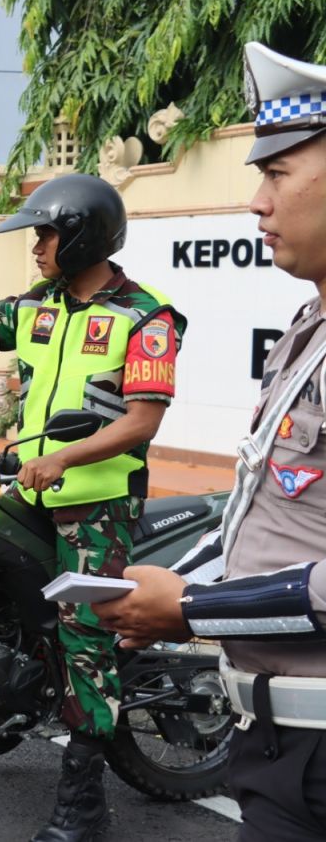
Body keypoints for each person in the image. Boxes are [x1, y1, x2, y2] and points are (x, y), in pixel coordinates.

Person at [93, 42, 326, 842]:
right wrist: (171, 587)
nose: (257, 203)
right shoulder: (310, 326)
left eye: (278, 175)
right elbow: (271, 518)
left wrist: (191, 607)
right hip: (276, 739)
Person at [0, 173, 186, 841]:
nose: (35, 245)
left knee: (84, 636)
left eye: (46, 233)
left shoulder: (145, 317)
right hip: (30, 490)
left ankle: (84, 805)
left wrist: (63, 457)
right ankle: (15, 703)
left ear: (82, 234)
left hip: (98, 502)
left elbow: (142, 421)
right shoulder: (36, 306)